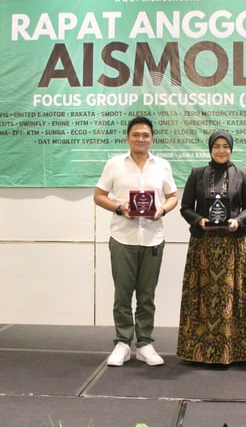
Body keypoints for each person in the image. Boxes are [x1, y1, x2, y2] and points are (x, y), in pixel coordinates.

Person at [94, 116, 178, 367]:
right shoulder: (114, 164)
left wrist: (162, 210)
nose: (141, 139)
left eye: (145, 135)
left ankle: (144, 344)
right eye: (136, 134)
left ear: (152, 138)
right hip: (123, 238)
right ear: (127, 137)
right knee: (122, 295)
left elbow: (173, 196)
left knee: (146, 296)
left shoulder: (162, 165)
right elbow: (99, 196)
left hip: (153, 239)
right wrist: (119, 207)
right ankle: (122, 343)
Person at [176, 130, 246, 364]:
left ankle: (234, 352)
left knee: (233, 295)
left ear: (231, 149)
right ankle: (198, 352)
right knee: (201, 297)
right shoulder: (197, 174)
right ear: (210, 148)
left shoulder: (242, 174)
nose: (221, 150)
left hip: (233, 245)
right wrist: (199, 220)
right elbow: (185, 207)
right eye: (216, 146)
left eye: (225, 146)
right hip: (203, 245)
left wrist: (238, 221)